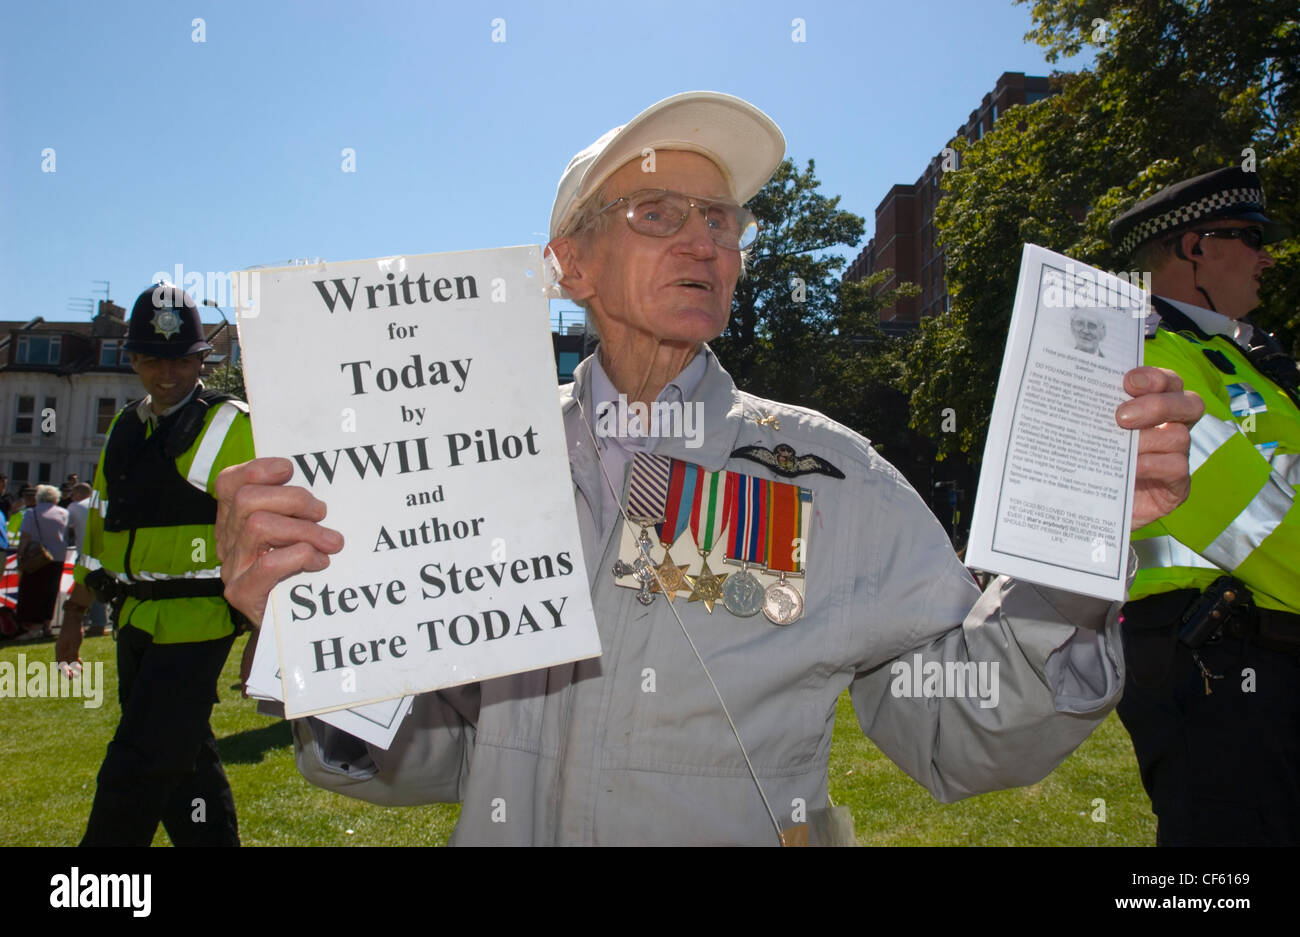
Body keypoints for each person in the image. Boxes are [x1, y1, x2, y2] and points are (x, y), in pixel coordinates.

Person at [216, 92, 1202, 845]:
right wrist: (320, 627)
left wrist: (1068, 561)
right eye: (655, 212)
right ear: (570, 264)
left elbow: (954, 732)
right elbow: (425, 760)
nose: (702, 239)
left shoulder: (830, 474)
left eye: (721, 218)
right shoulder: (465, 470)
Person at [1108, 166, 1299, 845]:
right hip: (1224, 668)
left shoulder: (1236, 361)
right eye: (1250, 237)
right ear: (1194, 247)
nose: (1267, 256)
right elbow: (1258, 523)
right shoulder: (1153, 358)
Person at [55, 282, 255, 847]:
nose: (167, 375)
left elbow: (267, 533)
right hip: (134, 622)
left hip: (201, 623)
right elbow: (98, 529)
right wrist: (76, 611)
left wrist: (268, 633)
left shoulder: (235, 427)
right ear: (135, 360)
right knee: (184, 761)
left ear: (200, 361)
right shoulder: (123, 428)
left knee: (136, 764)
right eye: (152, 360)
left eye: (181, 361)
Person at [14, 484, 70, 641]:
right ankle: (47, 624)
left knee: (32, 592)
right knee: (51, 592)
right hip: (57, 556)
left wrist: (20, 554)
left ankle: (34, 627)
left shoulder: (32, 513)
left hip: (36, 556)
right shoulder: (64, 512)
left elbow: (25, 536)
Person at [64, 482, 108, 636]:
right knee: (100, 590)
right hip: (103, 553)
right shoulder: (102, 505)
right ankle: (100, 622)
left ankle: (82, 622)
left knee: (81, 589)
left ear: (77, 494)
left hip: (84, 553)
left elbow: (65, 527)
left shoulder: (74, 507)